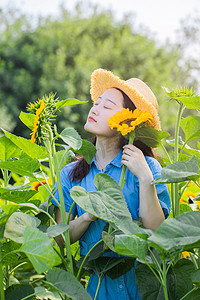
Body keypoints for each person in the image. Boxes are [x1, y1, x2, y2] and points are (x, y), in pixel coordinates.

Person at [52, 69, 171, 300]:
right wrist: (89, 214)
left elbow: (156, 231)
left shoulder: (147, 168)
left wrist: (145, 179)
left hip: (143, 281)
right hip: (97, 285)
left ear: (127, 121)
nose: (95, 108)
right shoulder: (71, 173)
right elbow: (61, 238)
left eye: (107, 107)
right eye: (96, 103)